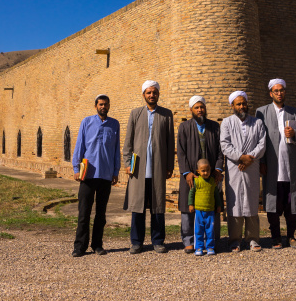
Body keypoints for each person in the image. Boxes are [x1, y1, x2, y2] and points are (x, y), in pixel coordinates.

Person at [123, 80, 175, 254]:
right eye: (148, 92)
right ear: (144, 94)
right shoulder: (135, 114)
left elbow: (169, 142)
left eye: (154, 92)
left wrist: (169, 166)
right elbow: (128, 141)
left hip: (158, 168)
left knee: (158, 206)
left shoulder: (166, 115)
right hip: (138, 169)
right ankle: (136, 242)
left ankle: (158, 240)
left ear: (158, 94)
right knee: (138, 206)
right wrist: (127, 163)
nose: (152, 95)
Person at [256, 78, 296, 249]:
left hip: (290, 165)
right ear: (271, 93)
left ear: (285, 92)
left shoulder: (295, 112)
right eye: (276, 91)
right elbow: (259, 138)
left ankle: (291, 236)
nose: (279, 93)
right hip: (271, 165)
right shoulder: (261, 112)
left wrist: (295, 133)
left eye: (282, 90)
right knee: (273, 204)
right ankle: (276, 237)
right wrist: (262, 161)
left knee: (292, 203)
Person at [71, 94, 120, 257]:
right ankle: (80, 246)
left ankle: (97, 244)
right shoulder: (87, 122)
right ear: (95, 106)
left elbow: (115, 150)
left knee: (101, 213)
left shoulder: (114, 124)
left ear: (109, 106)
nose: (103, 107)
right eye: (100, 104)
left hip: (106, 175)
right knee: (84, 212)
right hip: (88, 174)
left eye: (106, 104)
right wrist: (76, 168)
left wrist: (115, 171)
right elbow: (79, 145)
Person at [220, 91, 266, 252]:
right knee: (235, 203)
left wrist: (249, 158)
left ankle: (253, 239)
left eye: (244, 103)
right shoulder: (226, 123)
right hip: (234, 167)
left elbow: (262, 143)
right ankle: (235, 240)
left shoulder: (257, 123)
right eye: (238, 104)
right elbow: (225, 145)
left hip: (252, 167)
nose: (242, 106)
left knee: (252, 202)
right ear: (232, 106)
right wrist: (240, 157)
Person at [177, 95, 224, 253]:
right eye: (196, 107)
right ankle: (189, 240)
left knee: (212, 206)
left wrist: (217, 169)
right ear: (191, 110)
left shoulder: (214, 127)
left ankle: (211, 241)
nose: (200, 110)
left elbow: (220, 151)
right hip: (191, 175)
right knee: (187, 206)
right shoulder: (184, 127)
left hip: (211, 176)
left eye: (202, 107)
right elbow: (181, 152)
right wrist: (186, 172)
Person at [188, 159, 222, 256]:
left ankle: (210, 247)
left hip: (210, 211)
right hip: (199, 211)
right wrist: (191, 204)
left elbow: (216, 195)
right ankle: (199, 247)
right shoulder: (196, 181)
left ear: (210, 170)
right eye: (203, 171)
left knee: (210, 230)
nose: (206, 172)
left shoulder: (212, 182)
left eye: (207, 170)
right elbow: (191, 194)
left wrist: (219, 205)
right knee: (198, 230)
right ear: (198, 171)